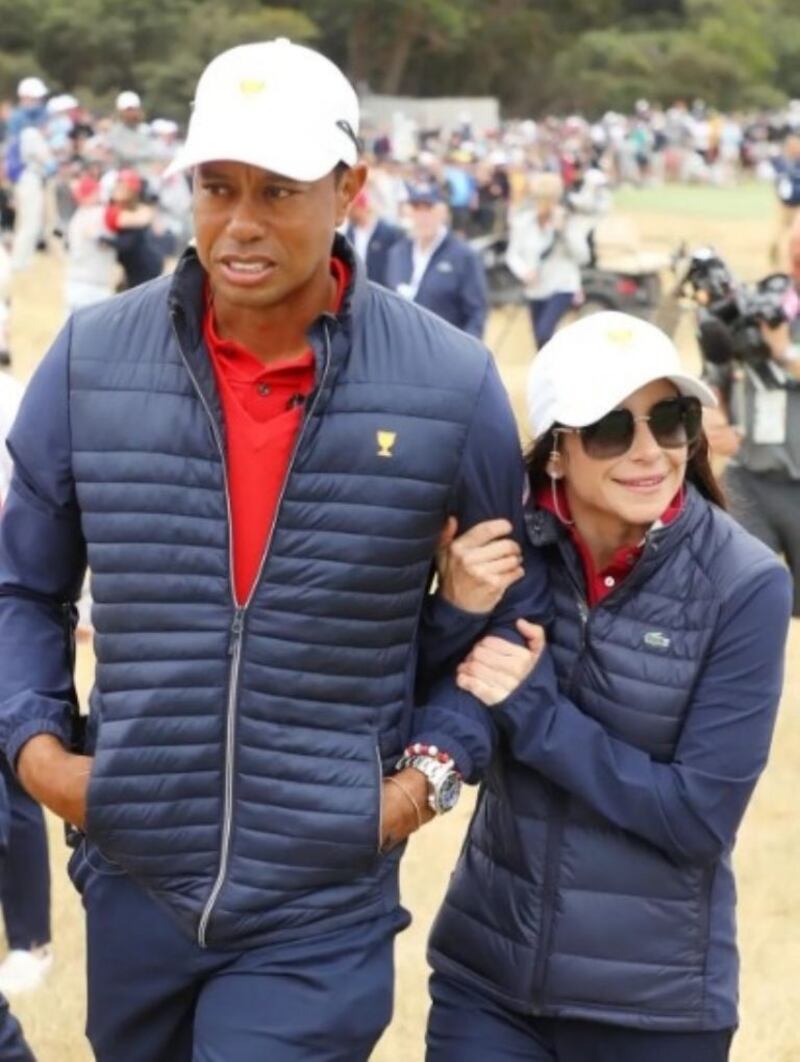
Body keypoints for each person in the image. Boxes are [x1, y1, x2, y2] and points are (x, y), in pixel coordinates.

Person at [0, 38, 546, 1061]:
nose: (240, 223)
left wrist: (423, 779)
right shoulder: (88, 360)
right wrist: (41, 753)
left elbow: (515, 615)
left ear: (350, 188)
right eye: (217, 187)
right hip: (136, 883)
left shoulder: (449, 382)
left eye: (278, 191)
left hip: (322, 897)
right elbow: (21, 589)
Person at [425, 312, 793, 1061]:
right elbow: (421, 707)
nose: (649, 451)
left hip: (655, 1013)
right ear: (557, 452)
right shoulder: (504, 551)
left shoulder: (747, 584)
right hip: (486, 984)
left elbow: (698, 818)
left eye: (671, 419)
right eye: (611, 429)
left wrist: (535, 715)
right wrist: (453, 608)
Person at [701, 258, 800, 617]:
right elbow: (716, 375)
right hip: (749, 480)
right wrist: (714, 416)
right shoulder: (755, 310)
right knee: (730, 587)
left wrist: (784, 352)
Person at [385, 184, 488, 338]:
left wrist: (465, 349)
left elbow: (476, 313)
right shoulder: (397, 253)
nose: (423, 216)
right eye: (417, 209)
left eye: (429, 208)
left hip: (446, 346)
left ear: (443, 212)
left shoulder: (463, 256)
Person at [506, 172, 592, 349]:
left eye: (549, 199)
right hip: (535, 288)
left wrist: (564, 232)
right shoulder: (523, 222)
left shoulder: (568, 221)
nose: (544, 204)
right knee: (540, 341)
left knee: (544, 332)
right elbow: (512, 254)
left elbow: (583, 257)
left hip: (562, 286)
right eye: (539, 199)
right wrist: (524, 272)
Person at [343, 187, 404, 287]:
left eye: (352, 209)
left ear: (362, 208)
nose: (348, 213)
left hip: (381, 289)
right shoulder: (350, 232)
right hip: (356, 288)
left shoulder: (389, 232)